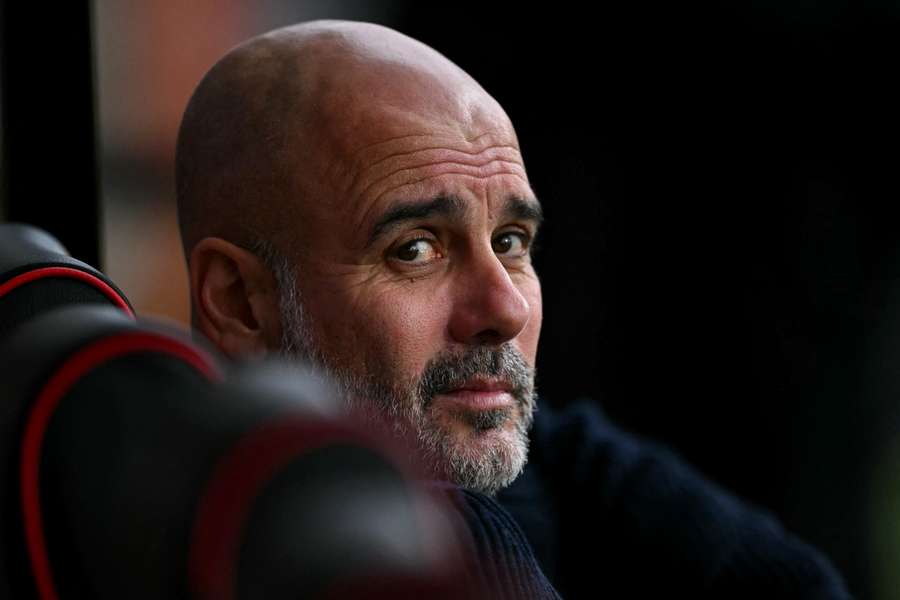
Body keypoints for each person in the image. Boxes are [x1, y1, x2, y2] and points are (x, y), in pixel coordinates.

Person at [175, 20, 851, 598]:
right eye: (415, 249)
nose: (505, 307)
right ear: (239, 304)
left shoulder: (547, 457)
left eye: (510, 241)